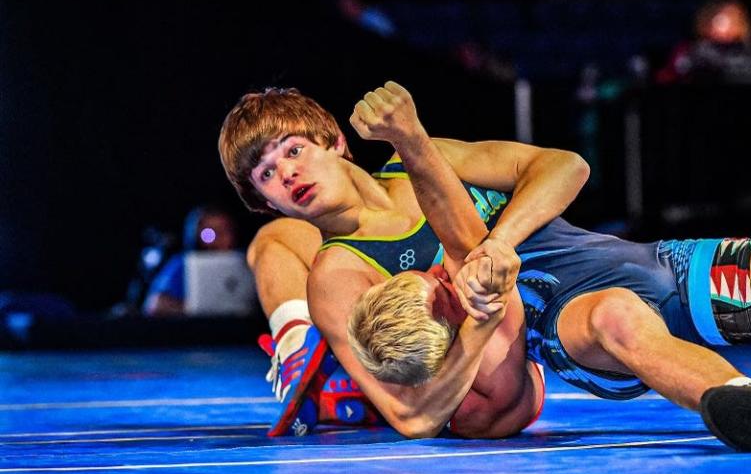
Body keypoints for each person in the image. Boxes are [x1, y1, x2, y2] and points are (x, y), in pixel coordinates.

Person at [345, 84, 751, 451]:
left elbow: (567, 169)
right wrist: (409, 137)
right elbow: (487, 406)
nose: (446, 275)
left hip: (673, 272)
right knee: (613, 317)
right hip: (584, 329)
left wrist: (499, 242)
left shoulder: (462, 244)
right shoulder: (482, 351)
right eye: (443, 292)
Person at [218, 83, 584, 437]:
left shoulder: (420, 161)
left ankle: (338, 375)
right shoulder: (338, 274)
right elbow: (414, 418)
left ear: (336, 141)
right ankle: (297, 346)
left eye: (293, 151)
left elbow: (566, 166)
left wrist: (500, 243)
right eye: (266, 174)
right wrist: (486, 317)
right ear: (267, 204)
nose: (286, 173)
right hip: (493, 370)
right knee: (271, 242)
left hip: (557, 302)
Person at [142, 205, 240, 316]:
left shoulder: (248, 262)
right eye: (210, 233)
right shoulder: (183, 264)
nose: (219, 238)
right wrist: (194, 308)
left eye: (225, 231)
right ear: (196, 235)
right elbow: (154, 305)